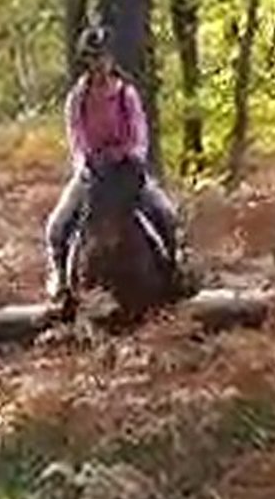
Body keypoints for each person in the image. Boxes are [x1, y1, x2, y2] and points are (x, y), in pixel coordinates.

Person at [44, 24, 178, 303]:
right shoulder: (77, 99)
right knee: (56, 227)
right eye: (93, 58)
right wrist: (85, 164)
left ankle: (173, 270)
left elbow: (139, 135)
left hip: (126, 170)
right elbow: (77, 139)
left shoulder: (125, 95)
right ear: (86, 61)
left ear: (110, 59)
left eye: (103, 57)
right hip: (93, 173)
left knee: (165, 213)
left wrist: (129, 157)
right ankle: (61, 281)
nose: (99, 64)